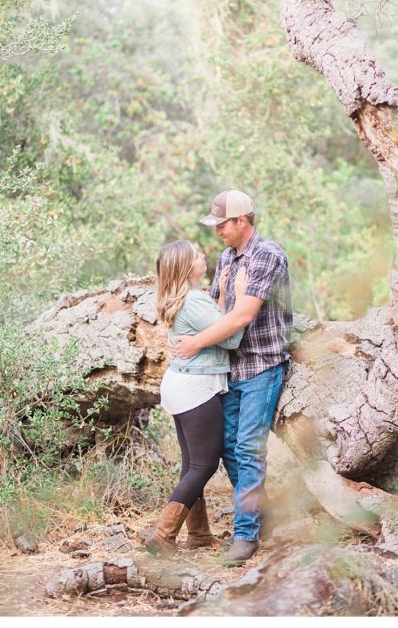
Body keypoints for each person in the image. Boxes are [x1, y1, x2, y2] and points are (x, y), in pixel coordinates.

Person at [170, 189, 293, 565]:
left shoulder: (267, 255)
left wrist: (193, 346)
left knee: (249, 448)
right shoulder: (226, 258)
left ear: (243, 221)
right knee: (226, 447)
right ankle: (259, 516)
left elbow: (240, 318)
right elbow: (219, 314)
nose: (217, 231)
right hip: (230, 368)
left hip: (261, 364)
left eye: (222, 223)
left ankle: (245, 535)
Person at [144, 240, 245, 556]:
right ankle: (162, 537)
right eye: (198, 254)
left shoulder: (184, 299)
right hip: (196, 388)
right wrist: (240, 297)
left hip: (180, 385)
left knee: (191, 464)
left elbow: (209, 321)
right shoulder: (193, 302)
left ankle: (199, 534)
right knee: (204, 465)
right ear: (187, 267)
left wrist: (220, 294)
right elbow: (232, 338)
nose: (204, 256)